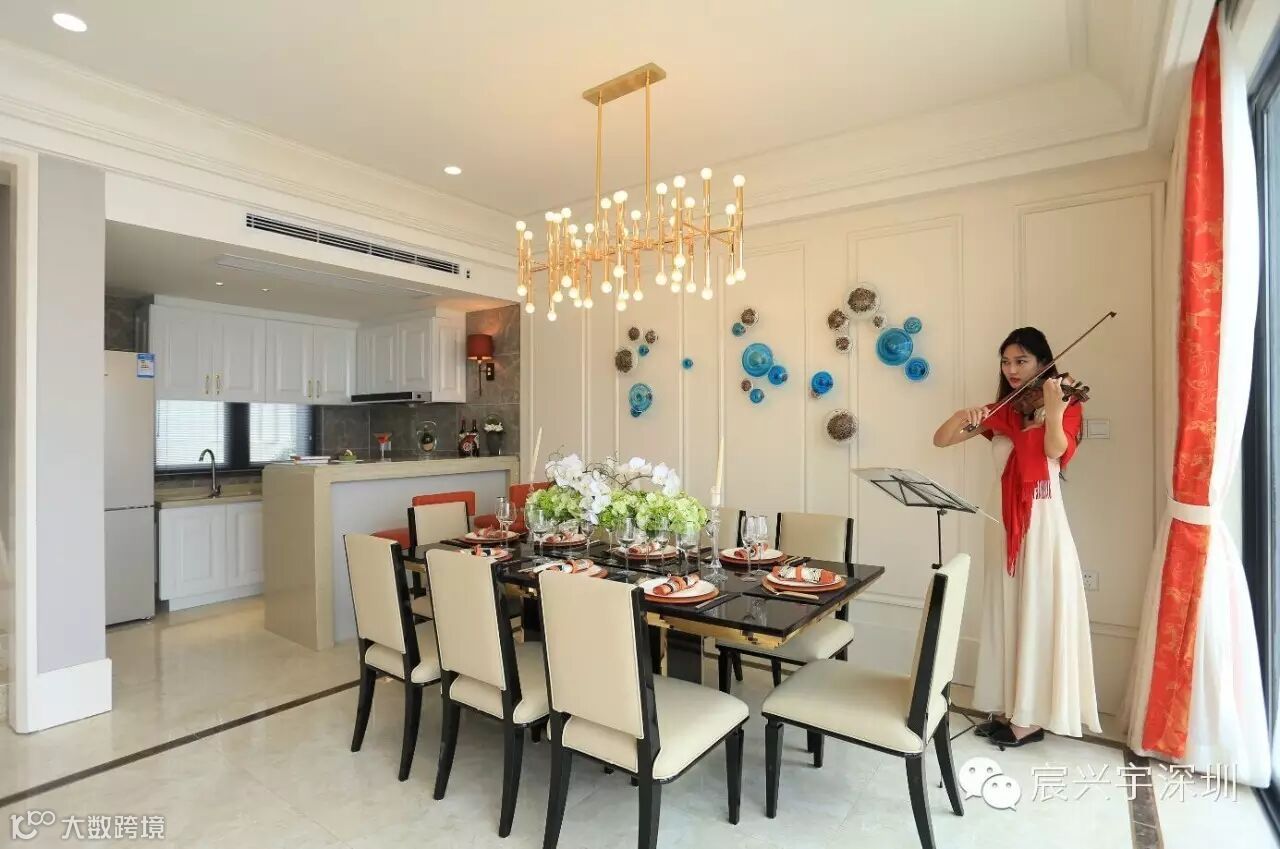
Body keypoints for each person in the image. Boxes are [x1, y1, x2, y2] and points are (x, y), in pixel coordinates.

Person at [932, 327, 1101, 747]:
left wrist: (1053, 412)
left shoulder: (1065, 402)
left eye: (1021, 361)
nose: (1011, 369)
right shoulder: (1006, 410)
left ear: (1043, 362)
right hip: (1002, 519)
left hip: (1042, 520)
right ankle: (1011, 707)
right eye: (1006, 362)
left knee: (1036, 609)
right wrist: (965, 414)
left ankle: (1031, 718)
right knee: (1007, 610)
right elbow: (942, 439)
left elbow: (1055, 451)